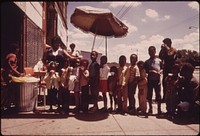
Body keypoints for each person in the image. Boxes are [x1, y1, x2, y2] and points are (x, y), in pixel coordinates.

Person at [1, 43, 24, 110]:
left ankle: (6, 104)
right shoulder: (12, 55)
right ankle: (5, 104)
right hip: (8, 75)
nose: (18, 50)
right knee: (11, 89)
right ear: (16, 49)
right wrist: (17, 73)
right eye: (18, 49)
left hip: (7, 74)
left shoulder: (9, 55)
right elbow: (9, 65)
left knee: (9, 89)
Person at [144, 46, 163, 115]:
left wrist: (159, 72)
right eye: (150, 51)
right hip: (150, 80)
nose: (151, 53)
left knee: (158, 95)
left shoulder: (159, 60)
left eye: (152, 51)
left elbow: (162, 68)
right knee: (149, 95)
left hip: (157, 80)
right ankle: (150, 108)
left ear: (155, 51)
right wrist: (151, 71)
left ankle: (159, 109)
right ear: (148, 52)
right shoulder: (147, 62)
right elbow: (145, 71)